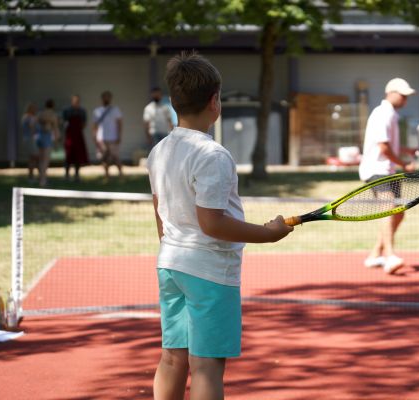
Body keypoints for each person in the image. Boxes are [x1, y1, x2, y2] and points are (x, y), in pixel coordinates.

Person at [146, 52, 293, 400]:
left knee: (171, 359)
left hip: (170, 264)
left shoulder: (160, 151)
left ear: (172, 102)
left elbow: (160, 214)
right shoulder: (213, 154)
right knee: (207, 367)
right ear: (215, 101)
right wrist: (268, 234)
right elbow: (211, 223)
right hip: (209, 272)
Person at [358, 78, 416, 274]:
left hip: (388, 170)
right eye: (403, 95)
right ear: (390, 93)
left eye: (407, 96)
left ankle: (375, 254)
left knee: (398, 213)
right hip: (376, 170)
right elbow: (383, 147)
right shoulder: (382, 113)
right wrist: (404, 163)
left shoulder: (391, 114)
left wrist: (406, 150)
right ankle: (390, 256)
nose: (405, 99)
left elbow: (389, 145)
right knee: (388, 208)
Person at [92, 90, 123, 179]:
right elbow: (94, 125)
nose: (106, 99)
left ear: (110, 98)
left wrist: (119, 136)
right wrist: (94, 136)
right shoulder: (97, 111)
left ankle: (121, 174)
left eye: (108, 97)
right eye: (104, 97)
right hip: (101, 138)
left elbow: (120, 124)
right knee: (104, 158)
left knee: (115, 156)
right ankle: (107, 175)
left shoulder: (115, 110)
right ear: (102, 99)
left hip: (113, 138)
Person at [62, 94, 89, 182]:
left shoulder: (82, 111)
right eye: (74, 101)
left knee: (78, 155)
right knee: (69, 155)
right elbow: (64, 122)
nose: (76, 102)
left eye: (77, 101)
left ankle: (77, 174)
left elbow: (84, 123)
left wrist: (78, 129)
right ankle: (66, 174)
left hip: (78, 135)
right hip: (70, 135)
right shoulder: (67, 110)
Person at [37, 99, 60, 187]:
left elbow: (33, 124)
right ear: (53, 105)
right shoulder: (53, 114)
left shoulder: (40, 113)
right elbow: (56, 128)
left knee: (41, 160)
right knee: (45, 161)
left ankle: (42, 178)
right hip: (47, 138)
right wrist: (57, 141)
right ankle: (43, 181)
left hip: (40, 137)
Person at [21, 103, 40, 183]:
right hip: (31, 139)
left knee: (32, 159)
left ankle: (33, 177)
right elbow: (32, 128)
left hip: (29, 139)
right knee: (34, 158)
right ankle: (33, 177)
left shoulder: (26, 117)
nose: (35, 110)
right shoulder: (28, 117)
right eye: (34, 109)